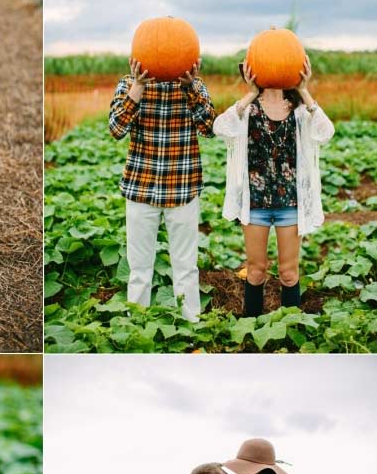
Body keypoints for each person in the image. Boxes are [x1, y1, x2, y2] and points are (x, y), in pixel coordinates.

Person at [214, 55, 334, 316]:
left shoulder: (300, 110)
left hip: (290, 204)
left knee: (289, 274)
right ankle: (251, 326)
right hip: (255, 204)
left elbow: (326, 132)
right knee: (255, 271)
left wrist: (304, 90)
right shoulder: (248, 110)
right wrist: (249, 94)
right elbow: (220, 128)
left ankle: (290, 327)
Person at [109, 57, 216, 322]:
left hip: (182, 188)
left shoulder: (195, 87)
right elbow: (116, 128)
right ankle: (136, 326)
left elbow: (209, 128)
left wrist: (191, 88)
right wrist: (138, 88)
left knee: (186, 267)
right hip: (141, 188)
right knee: (139, 268)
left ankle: (190, 325)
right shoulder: (127, 85)